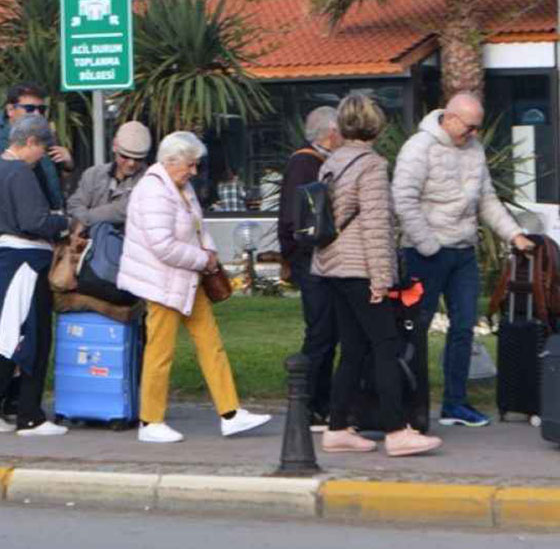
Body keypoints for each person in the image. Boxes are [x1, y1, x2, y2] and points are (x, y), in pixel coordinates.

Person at [117, 131, 272, 443]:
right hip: (163, 282)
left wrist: (209, 254)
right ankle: (150, 421)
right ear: (171, 161)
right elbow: (163, 246)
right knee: (160, 351)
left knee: (210, 343)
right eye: (190, 165)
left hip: (186, 278)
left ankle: (230, 413)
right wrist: (204, 260)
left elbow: (197, 227)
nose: (194, 172)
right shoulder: (154, 191)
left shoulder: (178, 185)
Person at [392, 92, 533, 429]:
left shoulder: (474, 150)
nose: (473, 134)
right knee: (416, 330)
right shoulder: (418, 148)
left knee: (463, 328)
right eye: (469, 127)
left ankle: (455, 403)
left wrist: (514, 235)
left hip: (463, 252)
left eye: (477, 128)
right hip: (425, 253)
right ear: (451, 118)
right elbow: (402, 199)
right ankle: (409, 405)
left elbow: (488, 200)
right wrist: (428, 245)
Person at [313, 95, 442, 457]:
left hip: (332, 266)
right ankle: (397, 429)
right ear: (376, 126)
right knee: (385, 345)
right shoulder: (370, 166)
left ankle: (337, 426)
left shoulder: (331, 163)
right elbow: (376, 226)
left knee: (352, 348)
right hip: (361, 268)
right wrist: (382, 280)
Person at [0, 115, 70, 437]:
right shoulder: (20, 173)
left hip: (1, 259)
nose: (42, 155)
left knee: (8, 337)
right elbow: (33, 221)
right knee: (35, 338)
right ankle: (30, 416)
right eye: (42, 148)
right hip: (25, 262)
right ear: (30, 142)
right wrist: (63, 222)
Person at [0, 82, 73, 284]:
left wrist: (67, 164)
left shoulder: (45, 144)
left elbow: (51, 192)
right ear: (10, 110)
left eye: (42, 109)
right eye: (30, 108)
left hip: (40, 243)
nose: (37, 114)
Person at [277, 105, 343, 431]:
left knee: (328, 331)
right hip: (311, 258)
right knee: (320, 331)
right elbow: (295, 218)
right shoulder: (305, 163)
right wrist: (297, 255)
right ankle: (309, 404)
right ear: (331, 133)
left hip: (314, 258)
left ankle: (321, 403)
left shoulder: (313, 162)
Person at [66, 120, 151, 227]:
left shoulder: (149, 182)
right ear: (114, 146)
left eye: (138, 159)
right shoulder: (93, 174)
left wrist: (84, 220)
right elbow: (74, 204)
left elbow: (123, 210)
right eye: (125, 156)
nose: (131, 163)